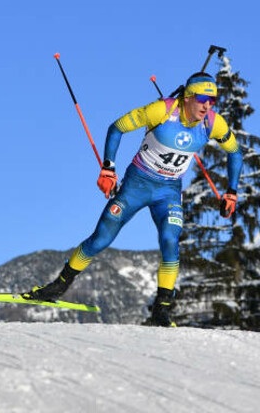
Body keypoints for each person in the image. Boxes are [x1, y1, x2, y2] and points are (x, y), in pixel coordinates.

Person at [23, 72, 243, 327]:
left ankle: (161, 310)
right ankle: (57, 287)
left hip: (169, 191)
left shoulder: (213, 124)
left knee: (170, 240)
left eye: (213, 100)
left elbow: (235, 153)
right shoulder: (160, 111)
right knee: (101, 239)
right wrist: (108, 168)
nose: (207, 106)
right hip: (137, 185)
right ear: (187, 97)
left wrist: (232, 191)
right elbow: (117, 127)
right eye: (203, 99)